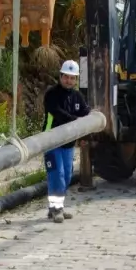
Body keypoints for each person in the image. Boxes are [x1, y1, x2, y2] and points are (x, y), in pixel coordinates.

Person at [42, 60, 91, 223]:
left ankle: (55, 207)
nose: (69, 81)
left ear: (76, 80)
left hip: (68, 144)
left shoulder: (77, 96)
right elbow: (57, 112)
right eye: (66, 77)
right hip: (51, 142)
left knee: (67, 176)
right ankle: (57, 209)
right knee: (58, 176)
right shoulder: (51, 94)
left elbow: (85, 113)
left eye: (72, 78)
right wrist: (76, 120)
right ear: (60, 76)